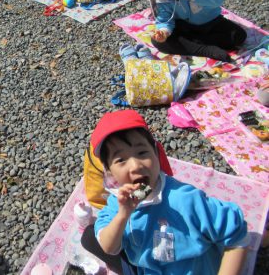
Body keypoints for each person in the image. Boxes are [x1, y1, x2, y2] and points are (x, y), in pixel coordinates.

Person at [91, 110, 248, 274]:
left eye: (142, 153)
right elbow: (108, 247)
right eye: (121, 160)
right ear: (109, 172)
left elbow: (237, 234)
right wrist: (123, 215)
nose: (136, 166)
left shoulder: (185, 199)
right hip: (148, 267)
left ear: (156, 153)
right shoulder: (116, 204)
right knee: (89, 237)